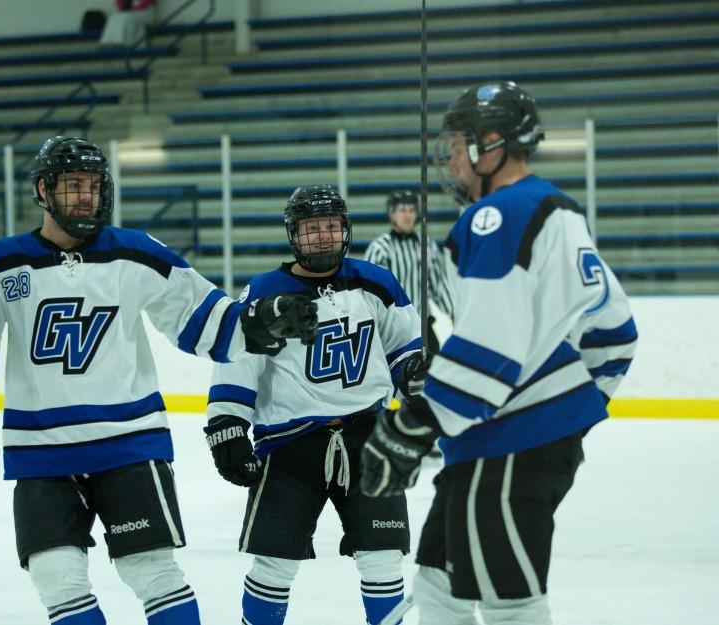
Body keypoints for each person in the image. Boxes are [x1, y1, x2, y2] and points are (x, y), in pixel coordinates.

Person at [0, 137, 319, 625]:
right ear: (43, 189)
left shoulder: (136, 253)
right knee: (56, 576)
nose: (85, 197)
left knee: (154, 572)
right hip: (40, 452)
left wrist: (263, 318)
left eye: (93, 187)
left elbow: (205, 322)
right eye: (73, 185)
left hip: (130, 446)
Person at [360, 81, 639, 625]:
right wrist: (570, 411)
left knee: (509, 603)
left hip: (507, 444)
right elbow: (618, 332)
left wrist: (412, 427)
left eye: (459, 144)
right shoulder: (558, 210)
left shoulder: (497, 216)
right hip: (507, 440)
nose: (452, 159)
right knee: (438, 588)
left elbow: (488, 348)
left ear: (491, 144)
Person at [205, 185, 427, 625]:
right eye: (312, 228)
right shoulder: (266, 292)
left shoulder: (375, 281)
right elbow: (237, 365)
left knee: (383, 559)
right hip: (290, 445)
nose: (323, 237)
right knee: (274, 564)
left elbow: (404, 348)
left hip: (370, 438)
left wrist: (415, 373)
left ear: (345, 230)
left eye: (330, 226)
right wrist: (227, 426)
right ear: (293, 234)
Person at [364, 189, 456, 353]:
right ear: (391, 214)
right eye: (402, 210)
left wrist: (455, 315)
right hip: (393, 329)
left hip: (423, 325)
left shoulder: (426, 245)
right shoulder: (380, 248)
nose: (407, 216)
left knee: (432, 370)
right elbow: (370, 293)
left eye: (412, 210)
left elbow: (439, 285)